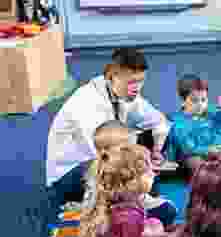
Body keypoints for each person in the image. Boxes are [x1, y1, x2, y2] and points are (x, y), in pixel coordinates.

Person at [46, 48, 170, 209]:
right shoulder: (87, 102)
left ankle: (131, 191)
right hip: (72, 173)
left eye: (141, 81)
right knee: (126, 169)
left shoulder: (123, 92)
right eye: (131, 82)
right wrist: (140, 164)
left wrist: (156, 150)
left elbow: (159, 121)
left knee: (154, 137)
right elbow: (103, 156)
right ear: (113, 76)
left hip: (107, 154)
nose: (137, 88)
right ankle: (110, 200)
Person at [82, 120, 177, 228]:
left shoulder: (95, 166)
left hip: (101, 217)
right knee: (168, 209)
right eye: (131, 145)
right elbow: (137, 195)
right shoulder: (122, 167)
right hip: (124, 215)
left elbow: (90, 200)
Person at [165, 74, 221, 177]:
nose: (200, 105)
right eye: (194, 100)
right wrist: (209, 150)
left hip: (212, 152)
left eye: (204, 100)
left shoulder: (209, 112)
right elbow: (188, 148)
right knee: (194, 161)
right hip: (189, 157)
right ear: (183, 101)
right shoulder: (178, 122)